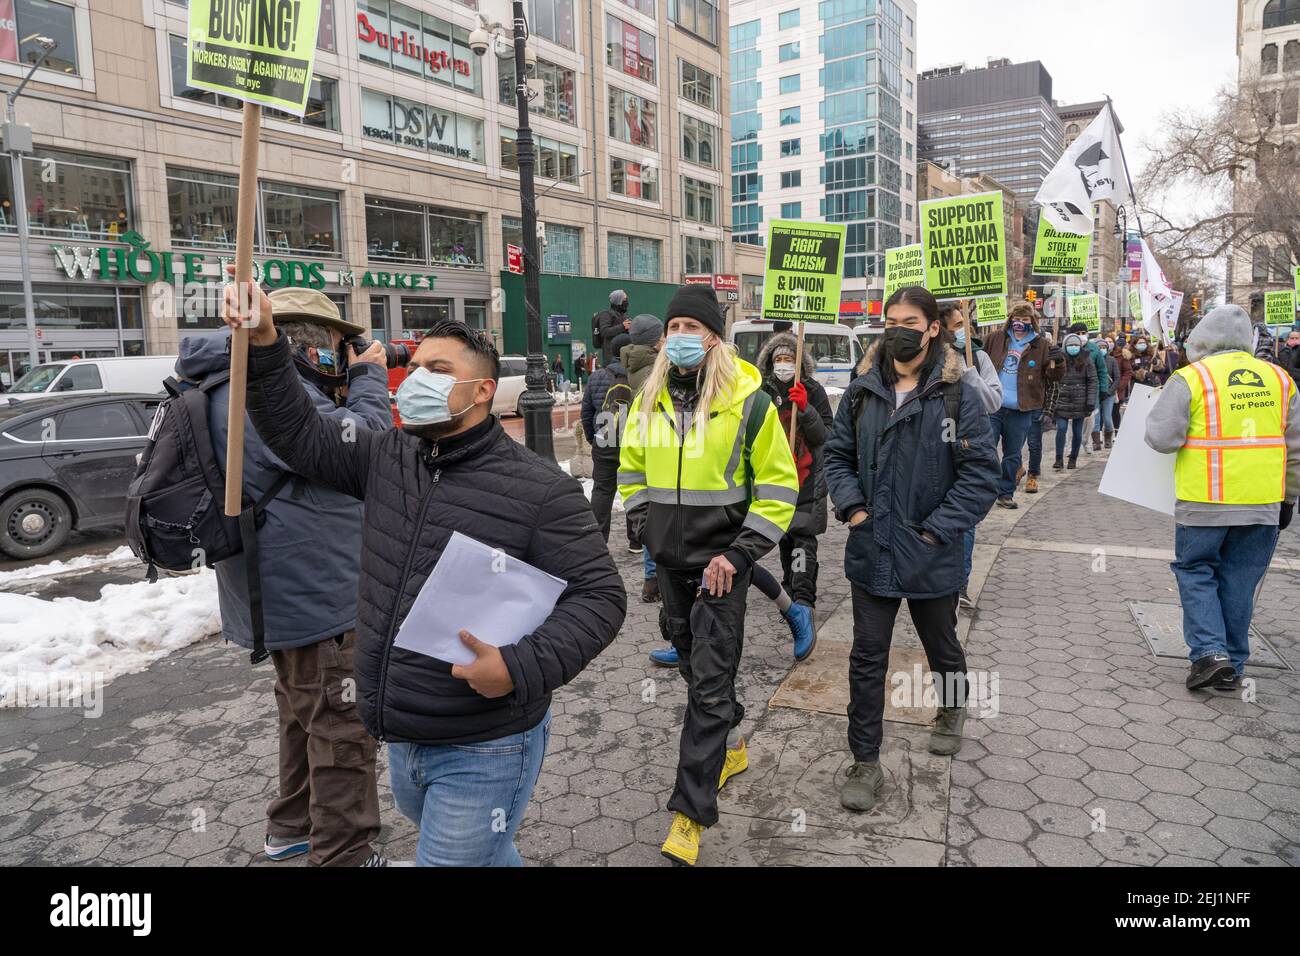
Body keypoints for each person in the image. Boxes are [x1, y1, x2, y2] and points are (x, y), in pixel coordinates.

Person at [221, 281, 626, 867]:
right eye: (415, 366)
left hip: (488, 743)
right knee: (484, 855)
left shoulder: (542, 490)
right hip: (404, 736)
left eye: (438, 368)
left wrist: (517, 667)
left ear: (483, 390)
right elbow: (301, 438)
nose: (417, 380)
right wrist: (264, 342)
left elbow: (600, 598)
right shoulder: (389, 455)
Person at [177, 289, 393, 868]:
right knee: (343, 728)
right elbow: (362, 446)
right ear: (307, 341)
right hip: (317, 593)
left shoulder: (221, 383)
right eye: (334, 345)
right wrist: (370, 379)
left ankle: (292, 826)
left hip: (272, 593)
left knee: (303, 715)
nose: (339, 355)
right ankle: (344, 854)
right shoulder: (273, 391)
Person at [617, 283, 798, 866]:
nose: (679, 339)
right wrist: (644, 526)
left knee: (710, 686)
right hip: (671, 564)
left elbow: (777, 489)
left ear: (713, 337)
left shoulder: (751, 402)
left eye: (691, 329)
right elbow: (630, 472)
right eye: (673, 330)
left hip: (724, 567)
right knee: (696, 669)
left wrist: (738, 556)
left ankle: (690, 813)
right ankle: (730, 739)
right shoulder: (647, 401)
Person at [824, 287, 999, 813]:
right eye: (890, 320)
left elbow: (980, 475)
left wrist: (934, 531)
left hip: (930, 551)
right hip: (871, 549)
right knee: (867, 658)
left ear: (931, 328)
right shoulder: (861, 391)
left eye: (909, 321)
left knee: (940, 644)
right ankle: (865, 760)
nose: (897, 329)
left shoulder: (956, 395)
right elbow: (837, 455)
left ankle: (950, 708)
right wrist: (854, 510)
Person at [1144, 305, 1300, 692]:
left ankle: (1210, 655)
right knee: (1239, 581)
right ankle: (1232, 661)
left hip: (1205, 502)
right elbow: (1295, 448)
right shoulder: (1280, 380)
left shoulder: (1191, 379)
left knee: (1197, 572)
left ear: (1202, 340)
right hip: (1263, 504)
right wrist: (1289, 499)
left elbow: (1162, 439)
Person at [754, 332, 833, 660]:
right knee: (786, 544)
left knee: (802, 541)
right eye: (778, 360)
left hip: (806, 481)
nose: (783, 365)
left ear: (799, 363)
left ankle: (803, 603)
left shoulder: (813, 391)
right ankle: (792, 590)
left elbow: (827, 435)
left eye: (789, 359)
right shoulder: (763, 390)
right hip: (773, 482)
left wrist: (807, 410)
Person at [940, 301, 1002, 609]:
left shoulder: (978, 356)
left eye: (966, 323)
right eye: (956, 325)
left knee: (963, 519)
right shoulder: (924, 358)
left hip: (966, 448)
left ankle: (959, 585)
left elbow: (993, 402)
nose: (965, 329)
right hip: (933, 450)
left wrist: (968, 373)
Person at [983, 302, 1064, 509]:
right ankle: (983, 489)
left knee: (1013, 454)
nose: (1020, 323)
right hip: (993, 406)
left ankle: (1005, 492)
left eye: (1025, 320)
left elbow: (1053, 377)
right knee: (986, 449)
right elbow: (978, 361)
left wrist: (1059, 361)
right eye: (1017, 319)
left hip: (1022, 408)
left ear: (1033, 322)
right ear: (1010, 320)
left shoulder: (1042, 345)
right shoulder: (995, 339)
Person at [622, 314, 665, 599]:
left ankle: (651, 578)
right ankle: (656, 577)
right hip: (660, 446)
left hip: (642, 446)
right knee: (660, 514)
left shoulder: (630, 362)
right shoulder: (655, 369)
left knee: (650, 512)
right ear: (655, 340)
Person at [581, 333, 632, 542]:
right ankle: (636, 540)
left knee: (602, 491)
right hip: (632, 441)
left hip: (604, 440)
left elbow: (586, 412)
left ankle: (599, 539)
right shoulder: (637, 375)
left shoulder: (597, 376)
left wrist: (592, 438)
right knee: (634, 489)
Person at [1052, 333, 1098, 470]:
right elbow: (1052, 377)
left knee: (1078, 432)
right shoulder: (1059, 359)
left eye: (1076, 345)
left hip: (1080, 401)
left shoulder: (1087, 359)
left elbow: (1092, 381)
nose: (1073, 347)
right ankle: (1059, 458)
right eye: (1070, 345)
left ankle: (1073, 458)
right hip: (1062, 400)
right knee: (1061, 429)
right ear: (1065, 346)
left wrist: (1090, 401)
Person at [1069, 322, 1110, 453]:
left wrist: (1103, 389)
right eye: (1077, 333)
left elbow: (1102, 371)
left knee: (1089, 419)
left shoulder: (1094, 349)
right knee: (1071, 420)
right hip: (1072, 390)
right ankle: (1071, 446)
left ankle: (1085, 441)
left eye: (1083, 333)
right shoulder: (1067, 347)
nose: (1081, 336)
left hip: (1090, 390)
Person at [1095, 336, 1120, 449]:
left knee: (1107, 417)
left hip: (1108, 394)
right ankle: (1096, 442)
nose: (1102, 349)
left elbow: (1117, 378)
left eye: (1104, 347)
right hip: (1095, 393)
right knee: (1096, 418)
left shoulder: (1112, 360)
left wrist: (1110, 391)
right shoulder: (1092, 359)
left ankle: (1108, 439)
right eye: (1099, 347)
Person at [595, 290, 631, 364]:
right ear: (618, 300)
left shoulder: (624, 316)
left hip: (624, 355)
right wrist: (622, 326)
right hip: (611, 358)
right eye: (625, 299)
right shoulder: (606, 314)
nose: (626, 301)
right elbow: (604, 331)